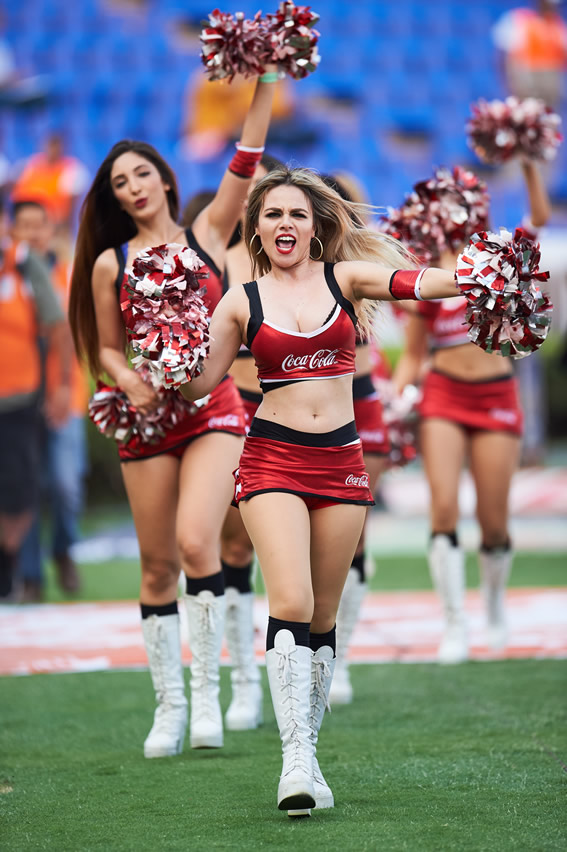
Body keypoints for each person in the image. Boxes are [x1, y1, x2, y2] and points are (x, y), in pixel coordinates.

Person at [177, 166, 465, 814]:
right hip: (271, 458)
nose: (285, 224)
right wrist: (164, 351)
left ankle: (308, 744)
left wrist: (481, 275)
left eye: (297, 214)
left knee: (323, 617)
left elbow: (416, 282)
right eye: (272, 214)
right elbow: (198, 384)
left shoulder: (346, 278)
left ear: (316, 227)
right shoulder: (239, 300)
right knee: (292, 599)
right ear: (255, 228)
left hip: (340, 461)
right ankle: (295, 763)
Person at [68, 70, 277, 759]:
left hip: (214, 409)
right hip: (149, 421)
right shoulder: (111, 262)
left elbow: (246, 158)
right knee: (158, 567)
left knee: (196, 544)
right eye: (119, 182)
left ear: (164, 179)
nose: (132, 187)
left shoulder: (210, 232)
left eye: (141, 174)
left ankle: (209, 697)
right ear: (115, 198)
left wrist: (267, 77)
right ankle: (169, 708)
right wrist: (129, 378)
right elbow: (105, 346)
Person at [392, 159, 550, 664]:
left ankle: (495, 607)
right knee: (443, 508)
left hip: (496, 394)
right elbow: (414, 354)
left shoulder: (500, 256)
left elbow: (539, 219)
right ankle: (454, 623)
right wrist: (395, 397)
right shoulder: (427, 272)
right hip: (442, 394)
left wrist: (528, 164)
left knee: (493, 521)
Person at [183, 153, 284, 732]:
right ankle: (242, 679)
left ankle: (280, 677)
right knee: (230, 546)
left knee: (266, 549)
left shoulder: (302, 261)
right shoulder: (214, 258)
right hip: (230, 409)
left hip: (284, 413)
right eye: (247, 189)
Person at [12, 200, 88, 602]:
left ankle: (63, 547)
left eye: (38, 225)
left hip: (65, 394)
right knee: (23, 488)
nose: (31, 234)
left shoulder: (68, 274)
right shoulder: (10, 276)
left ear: (51, 229)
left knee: (64, 484)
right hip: (20, 398)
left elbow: (75, 335)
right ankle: (30, 576)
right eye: (22, 226)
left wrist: (62, 389)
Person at [0, 196, 72, 600]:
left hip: (26, 397)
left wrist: (62, 386)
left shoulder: (29, 266)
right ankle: (22, 575)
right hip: (22, 396)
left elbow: (59, 326)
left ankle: (21, 560)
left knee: (39, 487)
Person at [11, 132, 90, 245]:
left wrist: (64, 230)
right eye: (50, 145)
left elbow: (72, 205)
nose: (52, 150)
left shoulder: (72, 169)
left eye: (55, 146)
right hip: (28, 224)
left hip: (56, 227)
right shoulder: (30, 165)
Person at [492, 0, 567, 107]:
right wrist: (507, 86)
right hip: (525, 83)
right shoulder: (518, 19)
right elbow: (502, 57)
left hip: (550, 89)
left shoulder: (558, 25)